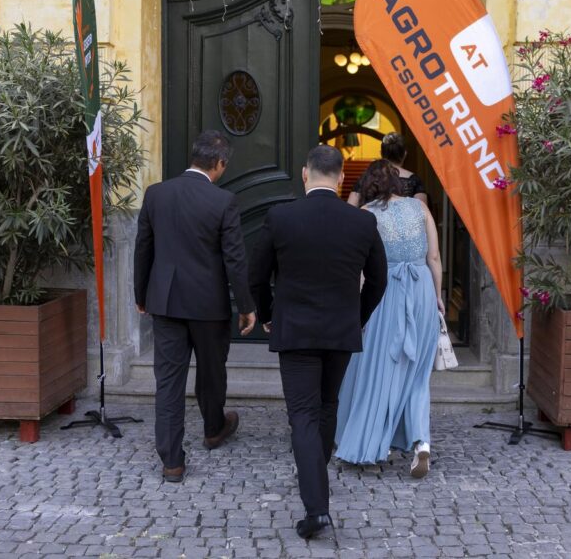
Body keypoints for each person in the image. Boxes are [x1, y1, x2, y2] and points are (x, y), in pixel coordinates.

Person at [250, 145, 388, 540]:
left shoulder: (281, 217)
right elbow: (379, 281)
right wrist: (356, 318)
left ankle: (316, 508)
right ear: (342, 177)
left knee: (303, 415)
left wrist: (268, 314)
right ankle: (316, 476)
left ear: (304, 174)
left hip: (295, 330)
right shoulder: (362, 222)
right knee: (327, 406)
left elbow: (256, 276)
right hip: (340, 331)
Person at [134, 130, 257, 484]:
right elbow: (235, 260)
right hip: (208, 304)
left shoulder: (156, 194)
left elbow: (143, 249)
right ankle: (213, 429)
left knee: (168, 381)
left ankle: (172, 461)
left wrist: (141, 295)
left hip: (166, 301)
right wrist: (246, 306)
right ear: (219, 164)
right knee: (212, 373)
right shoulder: (224, 201)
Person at [335, 159, 444, 478]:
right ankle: (422, 442)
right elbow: (434, 257)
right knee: (417, 376)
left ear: (367, 185)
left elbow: (360, 268)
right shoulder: (419, 208)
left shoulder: (365, 215)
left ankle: (372, 444)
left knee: (378, 371)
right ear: (397, 182)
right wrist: (438, 297)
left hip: (385, 294)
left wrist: (356, 305)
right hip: (421, 290)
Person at [347, 132, 427, 207]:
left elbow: (350, 207)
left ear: (381, 153)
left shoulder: (367, 178)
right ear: (404, 154)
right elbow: (422, 211)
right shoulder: (414, 180)